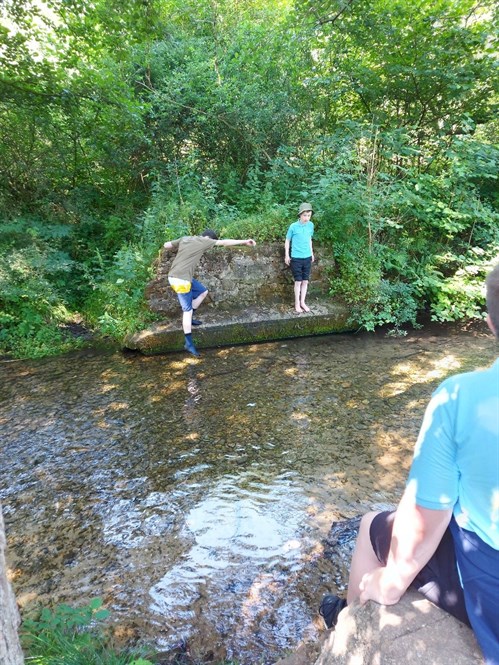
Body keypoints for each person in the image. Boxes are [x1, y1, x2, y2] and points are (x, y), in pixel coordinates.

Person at [320, 262, 499, 665]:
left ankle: (347, 621)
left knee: (369, 526)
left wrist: (394, 579)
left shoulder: (459, 397)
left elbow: (427, 512)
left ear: (490, 323)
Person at [163, 230, 256, 357]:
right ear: (208, 238)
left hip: (179, 276)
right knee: (187, 311)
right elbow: (224, 242)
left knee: (203, 292)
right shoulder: (205, 241)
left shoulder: (185, 238)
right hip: (181, 280)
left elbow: (166, 245)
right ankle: (188, 343)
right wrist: (245, 241)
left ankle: (190, 319)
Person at [284, 202, 315, 313]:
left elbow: (309, 239)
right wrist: (287, 255)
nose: (307, 218)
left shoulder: (311, 225)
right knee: (298, 281)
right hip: (296, 258)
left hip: (307, 257)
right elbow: (287, 240)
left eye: (309, 215)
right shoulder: (293, 227)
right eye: (305, 215)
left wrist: (312, 253)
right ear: (300, 215)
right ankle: (297, 303)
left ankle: (303, 302)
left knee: (305, 281)